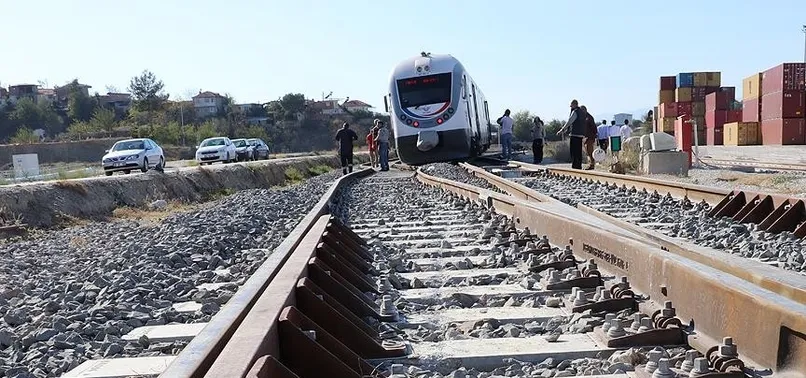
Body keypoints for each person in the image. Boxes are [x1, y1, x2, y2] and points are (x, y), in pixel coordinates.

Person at [556, 100, 585, 169]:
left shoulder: (575, 112)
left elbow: (569, 121)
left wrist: (562, 130)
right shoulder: (582, 112)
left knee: (573, 151)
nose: (570, 107)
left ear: (574, 105)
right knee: (579, 151)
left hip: (574, 134)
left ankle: (575, 165)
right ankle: (578, 165)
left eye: (571, 105)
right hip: (580, 135)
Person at [581, 105, 598, 170]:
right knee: (587, 151)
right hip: (586, 137)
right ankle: (590, 163)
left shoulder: (589, 117)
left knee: (590, 150)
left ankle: (592, 164)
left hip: (590, 136)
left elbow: (593, 127)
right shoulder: (584, 117)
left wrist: (595, 135)